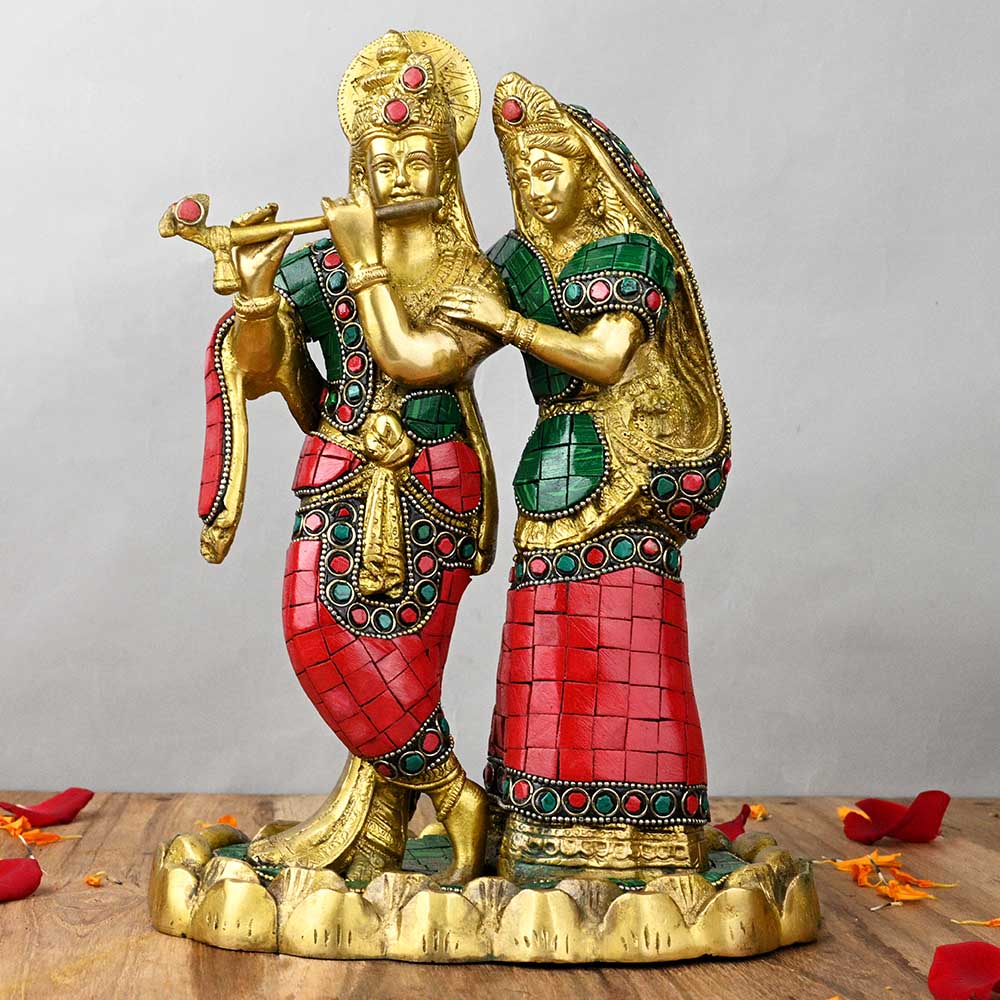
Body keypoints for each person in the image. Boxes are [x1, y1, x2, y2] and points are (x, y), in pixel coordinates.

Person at [197, 31, 502, 883]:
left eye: (419, 158)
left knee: (403, 662)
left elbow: (420, 361)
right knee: (316, 634)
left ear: (447, 166)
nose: (400, 175)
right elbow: (269, 369)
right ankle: (455, 795)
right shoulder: (321, 264)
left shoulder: (471, 274)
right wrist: (258, 293)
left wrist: (366, 261)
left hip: (436, 478)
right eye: (383, 159)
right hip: (337, 472)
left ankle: (390, 834)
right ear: (359, 165)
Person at [439, 73, 732, 880]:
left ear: (589, 176)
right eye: (523, 174)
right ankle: (537, 822)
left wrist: (507, 321)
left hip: (628, 466)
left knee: (626, 640)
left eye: (550, 169)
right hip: (554, 465)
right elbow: (446, 344)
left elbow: (605, 358)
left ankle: (644, 832)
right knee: (548, 639)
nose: (535, 187)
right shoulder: (517, 259)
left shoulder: (632, 255)